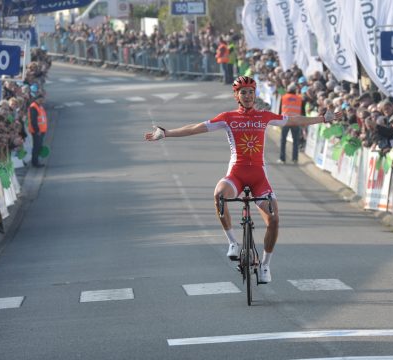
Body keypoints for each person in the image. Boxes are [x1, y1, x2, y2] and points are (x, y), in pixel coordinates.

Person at [144, 76, 336, 283]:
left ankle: (265, 266)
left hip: (258, 178)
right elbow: (196, 127)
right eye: (243, 92)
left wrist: (322, 119)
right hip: (236, 174)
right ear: (236, 95)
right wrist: (167, 133)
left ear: (255, 94)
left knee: (274, 219)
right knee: (219, 195)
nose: (247, 95)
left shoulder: (264, 116)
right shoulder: (228, 118)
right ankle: (233, 243)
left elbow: (293, 120)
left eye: (250, 92)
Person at [278, 83, 304, 164]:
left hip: (286, 121)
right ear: (295, 90)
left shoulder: (284, 97)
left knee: (283, 140)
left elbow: (280, 110)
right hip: (296, 122)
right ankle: (295, 159)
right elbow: (303, 112)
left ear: (288, 89)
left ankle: (282, 159)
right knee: (295, 141)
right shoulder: (300, 99)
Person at [28, 94, 48, 167]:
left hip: (41, 130)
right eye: (42, 99)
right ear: (38, 99)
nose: (43, 101)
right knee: (36, 147)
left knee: (38, 146)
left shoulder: (39, 106)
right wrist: (37, 130)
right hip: (37, 131)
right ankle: (35, 162)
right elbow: (34, 120)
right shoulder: (34, 107)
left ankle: (37, 161)